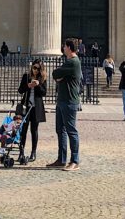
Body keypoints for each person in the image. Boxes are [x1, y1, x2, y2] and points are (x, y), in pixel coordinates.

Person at [49, 39, 82, 171]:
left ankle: (75, 161)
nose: (62, 48)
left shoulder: (72, 62)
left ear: (68, 47)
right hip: (62, 100)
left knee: (71, 131)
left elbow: (55, 73)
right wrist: (60, 76)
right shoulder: (68, 63)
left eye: (64, 46)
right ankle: (61, 159)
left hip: (69, 101)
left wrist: (60, 76)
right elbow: (56, 75)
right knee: (60, 130)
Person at [18, 59, 47, 163]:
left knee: (34, 130)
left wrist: (38, 85)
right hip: (26, 107)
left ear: (41, 70)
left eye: (38, 69)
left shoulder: (42, 78)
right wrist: (28, 86)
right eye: (34, 68)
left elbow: (44, 93)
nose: (35, 70)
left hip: (36, 108)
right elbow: (20, 90)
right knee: (23, 130)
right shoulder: (26, 77)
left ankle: (33, 152)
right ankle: (21, 152)